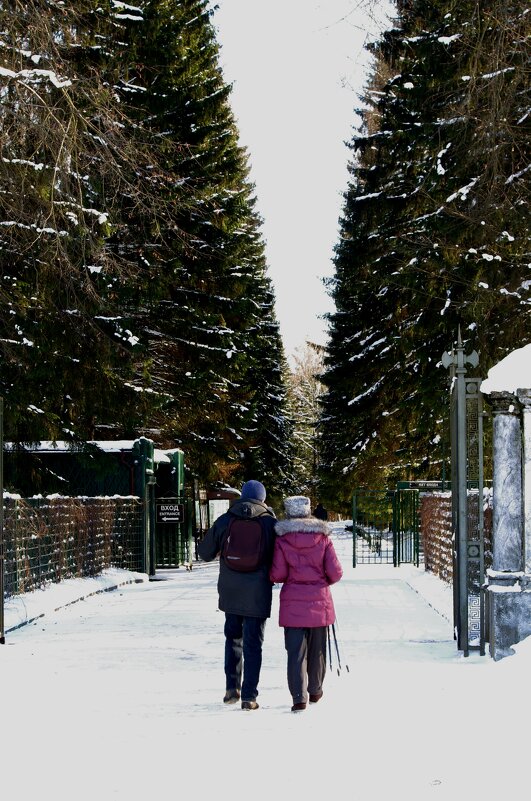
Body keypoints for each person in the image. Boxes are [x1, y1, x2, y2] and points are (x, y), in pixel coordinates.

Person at [198, 479, 277, 711]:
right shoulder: (269, 523)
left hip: (230, 590)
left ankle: (231, 688)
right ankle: (249, 696)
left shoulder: (225, 519)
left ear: (242, 496)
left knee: (233, 639)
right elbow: (278, 559)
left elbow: (204, 553)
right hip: (258, 592)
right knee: (253, 644)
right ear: (262, 498)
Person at [270, 495, 342, 712]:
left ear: (289, 512)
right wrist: (321, 582)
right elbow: (336, 573)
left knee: (295, 652)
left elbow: (277, 574)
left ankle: (299, 698)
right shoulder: (323, 539)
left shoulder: (282, 540)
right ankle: (316, 690)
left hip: (293, 604)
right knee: (318, 649)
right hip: (319, 602)